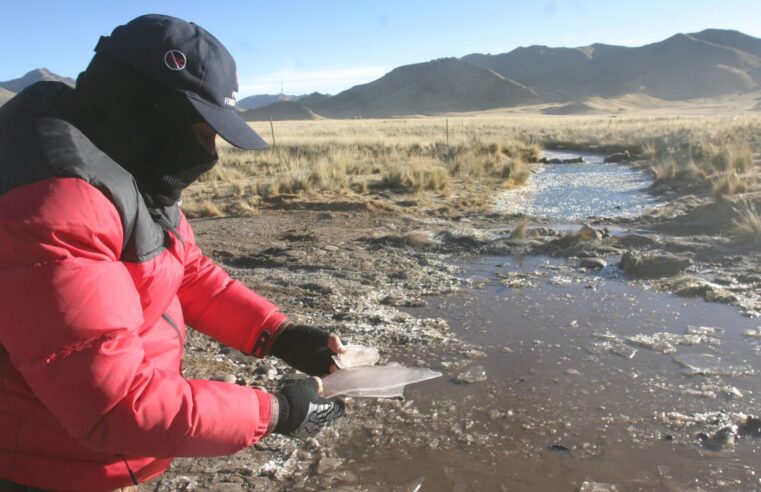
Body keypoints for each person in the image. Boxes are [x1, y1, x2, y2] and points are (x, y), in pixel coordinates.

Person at [0, 14, 345, 491]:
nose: (209, 155)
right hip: (48, 469)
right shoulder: (56, 208)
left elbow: (185, 269)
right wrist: (276, 411)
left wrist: (278, 334)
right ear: (147, 112)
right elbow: (116, 406)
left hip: (89, 457)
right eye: (203, 134)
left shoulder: (121, 165)